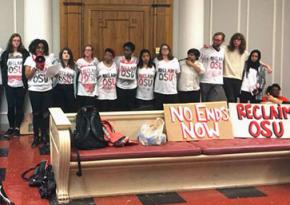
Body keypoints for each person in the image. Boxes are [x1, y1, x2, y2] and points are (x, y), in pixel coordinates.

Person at [224, 33, 272, 103]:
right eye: (235, 39)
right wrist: (207, 47)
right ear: (232, 40)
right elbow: (215, 48)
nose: (236, 41)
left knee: (234, 98)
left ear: (241, 42)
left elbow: (255, 59)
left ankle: (233, 113)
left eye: (238, 40)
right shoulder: (226, 48)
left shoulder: (244, 52)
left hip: (238, 78)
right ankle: (231, 112)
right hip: (227, 76)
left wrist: (267, 66)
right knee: (230, 98)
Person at [25, 39, 53, 148]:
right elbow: (27, 76)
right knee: (36, 114)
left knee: (45, 114)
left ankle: (45, 136)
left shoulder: (48, 59)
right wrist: (36, 67)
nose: (40, 50)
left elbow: (52, 75)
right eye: (38, 48)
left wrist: (49, 70)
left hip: (47, 89)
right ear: (34, 48)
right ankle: (36, 137)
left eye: (42, 48)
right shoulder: (29, 59)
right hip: (34, 90)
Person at [0, 33, 30, 138]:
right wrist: (5, 82)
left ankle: (17, 128)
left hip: (21, 84)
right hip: (9, 84)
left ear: (20, 42)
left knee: (20, 106)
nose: (16, 42)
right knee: (10, 106)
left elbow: (28, 66)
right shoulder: (5, 54)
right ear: (11, 42)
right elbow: (3, 67)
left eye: (18, 40)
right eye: (14, 40)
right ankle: (11, 127)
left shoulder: (25, 53)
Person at [200, 32, 227, 102]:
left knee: (219, 101)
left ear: (222, 41)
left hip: (218, 80)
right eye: (214, 39)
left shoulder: (223, 50)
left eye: (218, 40)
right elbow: (198, 62)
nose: (215, 41)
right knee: (205, 102)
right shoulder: (205, 49)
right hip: (205, 80)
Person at [154, 43, 180, 110]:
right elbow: (154, 73)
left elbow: (178, 73)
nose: (165, 50)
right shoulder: (156, 60)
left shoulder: (175, 60)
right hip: (159, 90)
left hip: (171, 90)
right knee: (159, 110)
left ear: (169, 50)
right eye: (163, 49)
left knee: (171, 111)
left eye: (166, 49)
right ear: (160, 51)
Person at [116, 42, 138, 111]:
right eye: (124, 50)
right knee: (121, 108)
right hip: (121, 87)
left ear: (132, 51)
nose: (125, 52)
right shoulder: (118, 59)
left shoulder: (136, 60)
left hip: (132, 87)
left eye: (128, 50)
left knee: (131, 108)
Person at [53, 47, 76, 113]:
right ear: (61, 55)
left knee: (70, 108)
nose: (66, 54)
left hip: (70, 88)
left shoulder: (74, 65)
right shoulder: (57, 64)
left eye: (68, 53)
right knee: (60, 108)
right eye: (64, 53)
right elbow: (52, 75)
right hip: (59, 88)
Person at [76, 44, 99, 109]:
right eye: (86, 50)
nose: (87, 51)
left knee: (91, 108)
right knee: (82, 107)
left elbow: (97, 73)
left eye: (89, 50)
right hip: (82, 89)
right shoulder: (79, 61)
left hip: (93, 89)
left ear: (92, 52)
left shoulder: (95, 61)